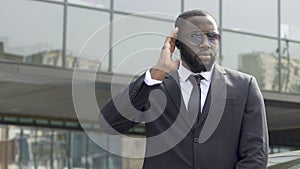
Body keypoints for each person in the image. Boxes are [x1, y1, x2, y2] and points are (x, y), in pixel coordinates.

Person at [99, 9, 269, 169]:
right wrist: (155, 75)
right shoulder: (155, 85)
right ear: (177, 42)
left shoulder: (244, 87)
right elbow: (109, 124)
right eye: (196, 36)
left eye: (212, 37)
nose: (205, 44)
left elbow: (256, 154)